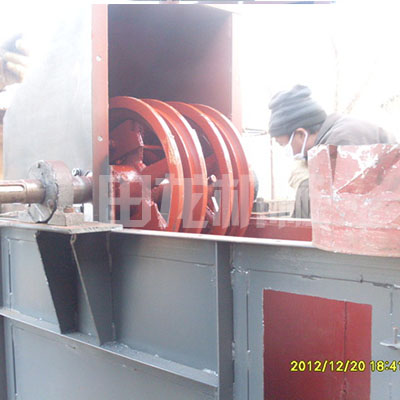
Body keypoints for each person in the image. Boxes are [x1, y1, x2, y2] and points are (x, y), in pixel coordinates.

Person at [268, 84, 396, 218]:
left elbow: (342, 211)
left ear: (301, 134)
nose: (287, 151)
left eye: (283, 144)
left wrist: (304, 182)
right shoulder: (332, 137)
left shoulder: (342, 142)